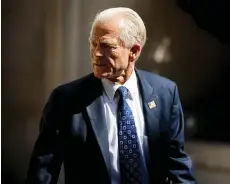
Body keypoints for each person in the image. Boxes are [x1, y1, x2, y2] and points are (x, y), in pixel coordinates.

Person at [25, 7, 196, 184]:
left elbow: (177, 166)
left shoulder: (165, 93)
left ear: (134, 51)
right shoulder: (66, 100)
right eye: (93, 43)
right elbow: (42, 172)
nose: (97, 53)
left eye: (107, 46)